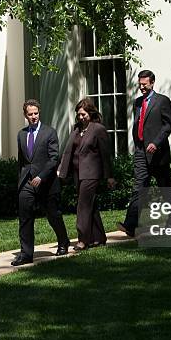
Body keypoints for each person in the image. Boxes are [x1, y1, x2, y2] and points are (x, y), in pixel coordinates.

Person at [117, 70, 171, 237]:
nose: (141, 87)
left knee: (166, 188)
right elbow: (138, 124)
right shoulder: (137, 103)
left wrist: (156, 143)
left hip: (158, 154)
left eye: (145, 84)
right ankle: (131, 225)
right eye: (140, 84)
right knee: (139, 188)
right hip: (141, 152)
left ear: (152, 83)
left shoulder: (162, 101)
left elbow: (167, 126)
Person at [13, 99, 70, 266]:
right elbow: (21, 161)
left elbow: (54, 159)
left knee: (53, 215)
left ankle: (63, 241)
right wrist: (20, 181)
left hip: (47, 183)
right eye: (30, 114)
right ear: (25, 115)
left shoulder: (49, 132)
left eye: (36, 113)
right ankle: (26, 254)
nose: (33, 117)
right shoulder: (21, 134)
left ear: (39, 113)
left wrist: (41, 176)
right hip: (26, 182)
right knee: (25, 217)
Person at [58, 98, 116, 251]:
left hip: (92, 173)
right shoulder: (76, 129)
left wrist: (109, 176)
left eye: (83, 114)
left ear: (90, 113)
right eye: (78, 115)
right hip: (78, 173)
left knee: (83, 205)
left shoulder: (98, 129)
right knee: (91, 205)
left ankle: (83, 240)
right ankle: (99, 237)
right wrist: (62, 170)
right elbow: (68, 150)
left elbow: (105, 154)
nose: (81, 117)